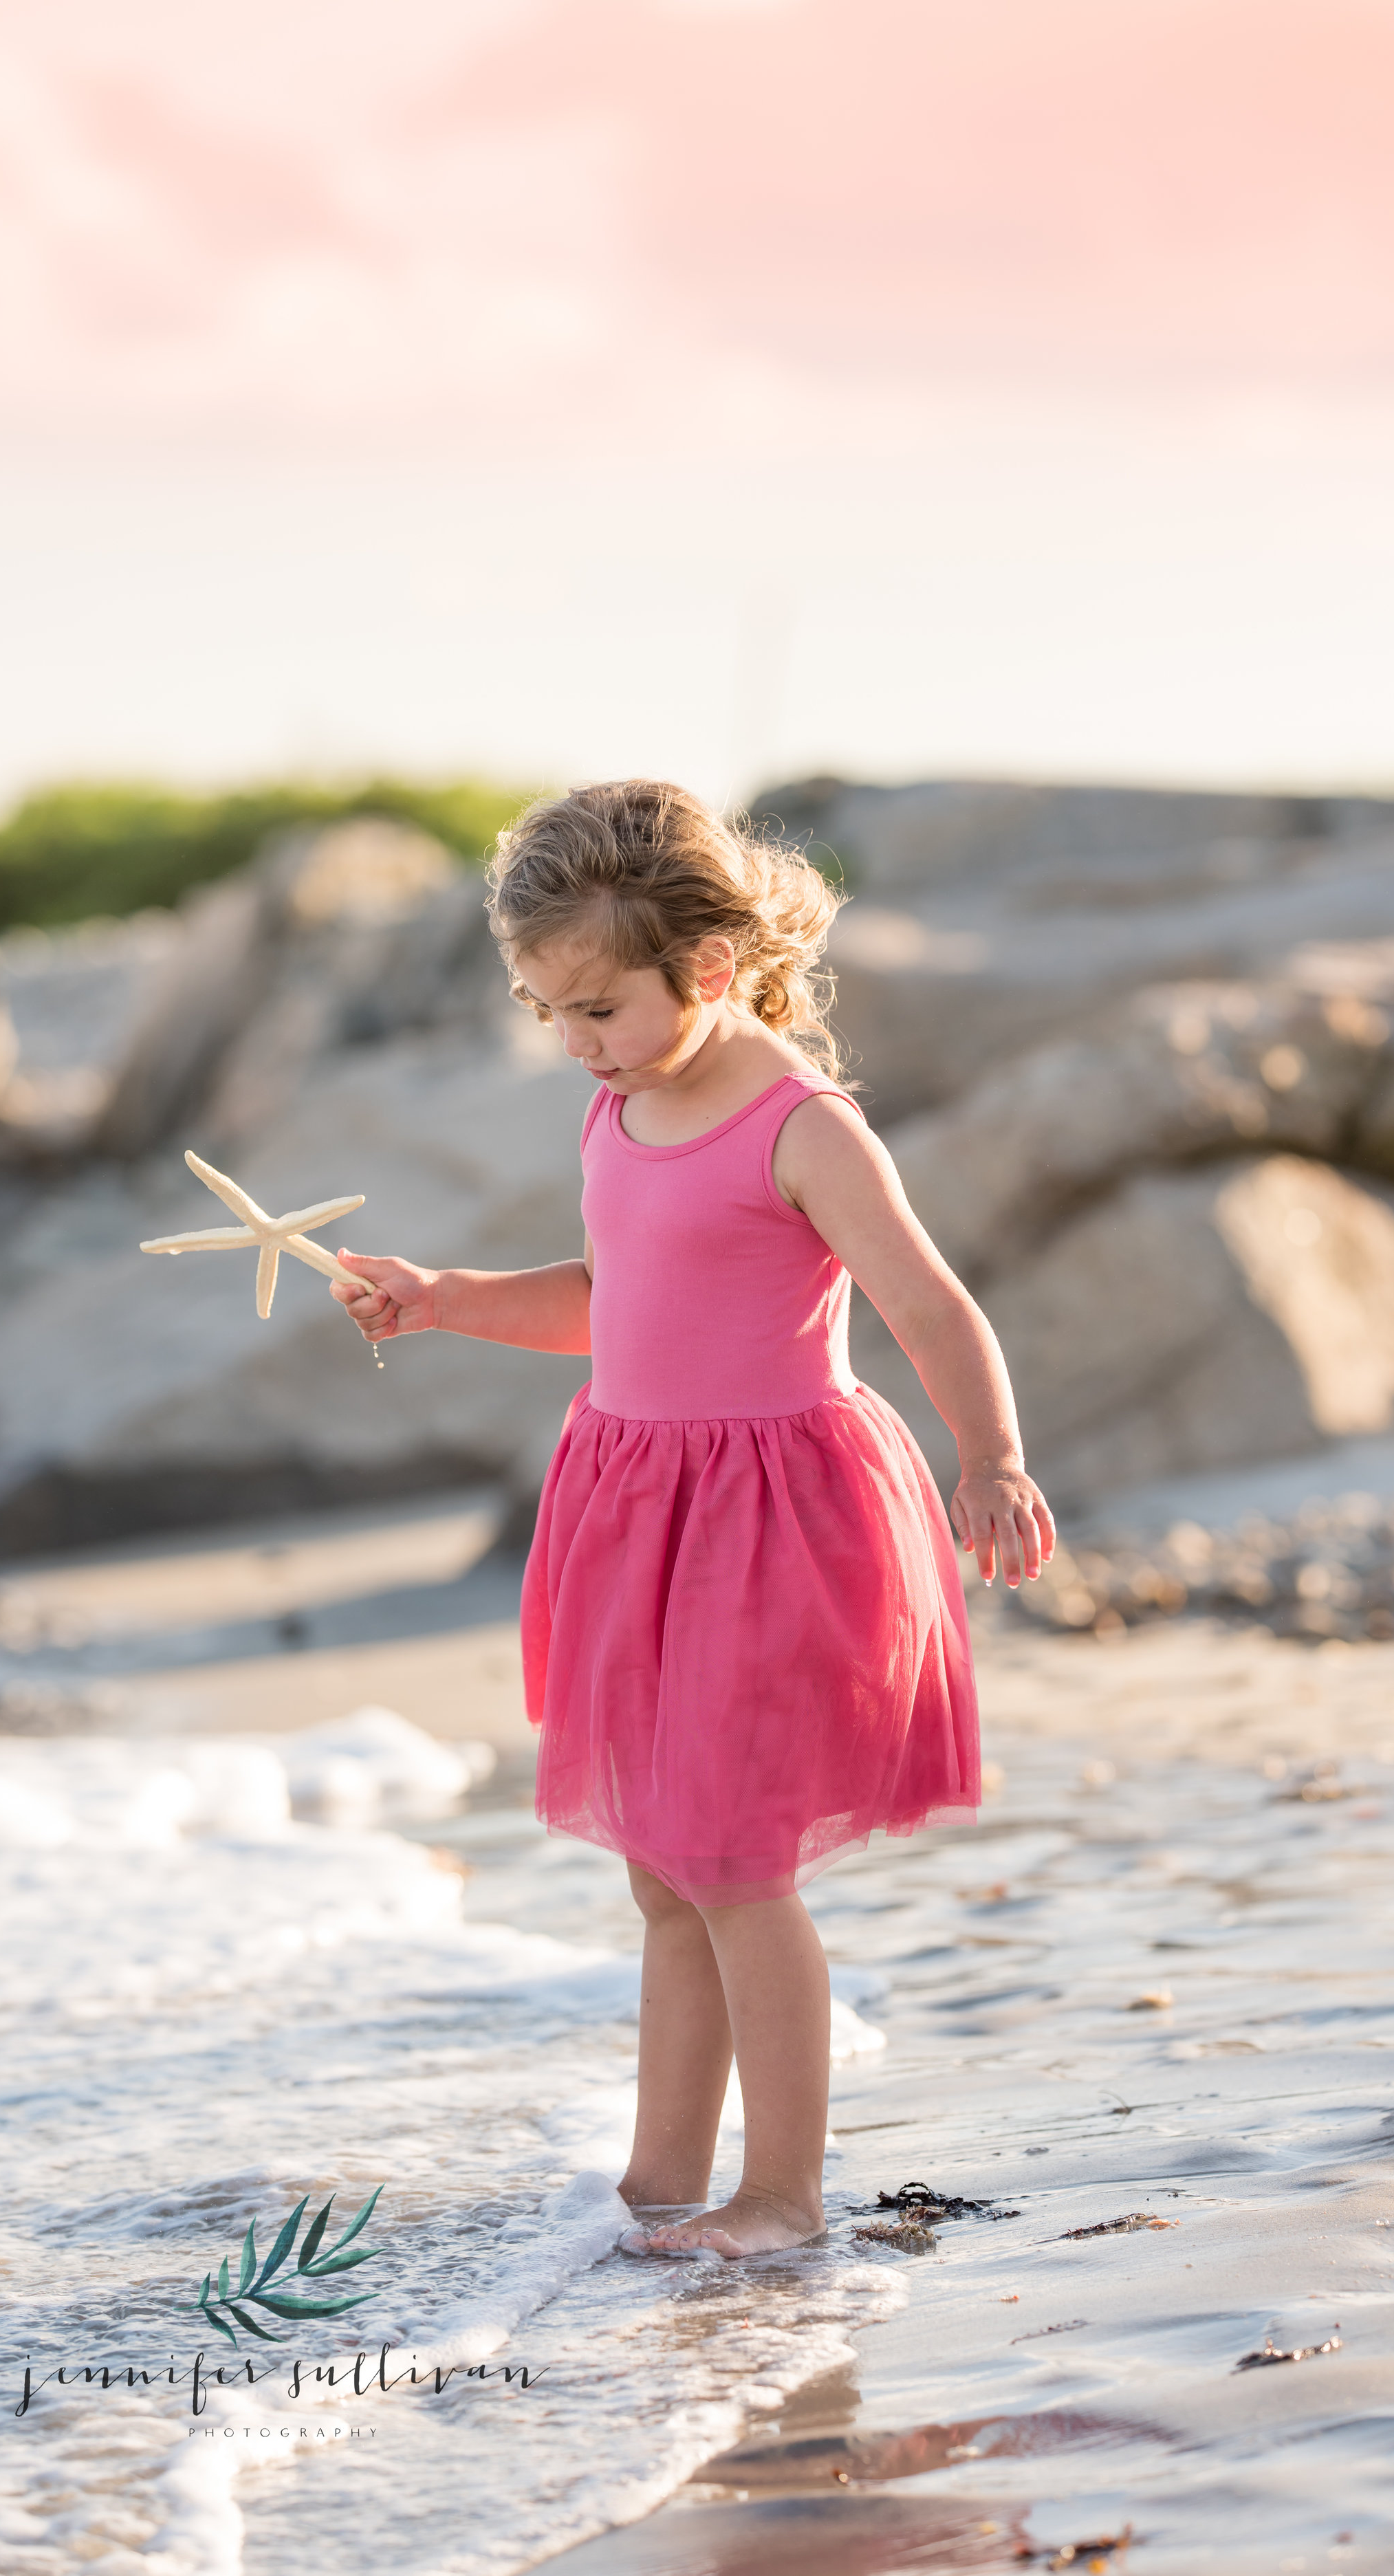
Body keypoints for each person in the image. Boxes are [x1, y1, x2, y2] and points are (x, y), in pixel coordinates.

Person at [330, 780, 1054, 2260]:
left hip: (766, 1512)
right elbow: (609, 1300)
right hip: (633, 1497)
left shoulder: (799, 1124)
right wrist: (452, 1298)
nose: (571, 1041)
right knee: (663, 1867)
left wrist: (989, 1457)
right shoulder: (621, 1105)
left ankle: (780, 2192)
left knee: (735, 1863)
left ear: (708, 969)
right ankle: (659, 2182)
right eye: (545, 1011)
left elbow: (925, 1300)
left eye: (594, 1006)